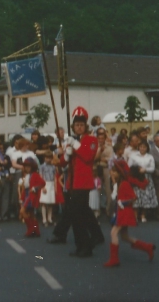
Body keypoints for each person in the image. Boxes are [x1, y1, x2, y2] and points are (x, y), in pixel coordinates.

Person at [60, 106, 104, 258]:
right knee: (79, 213)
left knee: (76, 214)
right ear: (73, 126)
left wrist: (75, 145)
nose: (79, 127)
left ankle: (85, 246)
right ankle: (86, 242)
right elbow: (62, 164)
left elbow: (87, 156)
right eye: (77, 125)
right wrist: (66, 154)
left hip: (83, 183)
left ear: (85, 126)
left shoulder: (91, 140)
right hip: (72, 183)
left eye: (82, 125)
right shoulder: (71, 141)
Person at [103, 160, 156, 268]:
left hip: (124, 212)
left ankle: (114, 259)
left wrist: (123, 202)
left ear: (120, 173)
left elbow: (133, 197)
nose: (112, 173)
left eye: (114, 172)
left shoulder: (125, 183)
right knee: (124, 237)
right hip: (122, 211)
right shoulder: (122, 182)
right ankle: (147, 247)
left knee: (113, 233)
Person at [128, 141, 158, 222]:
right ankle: (135, 216)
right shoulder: (133, 156)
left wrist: (145, 169)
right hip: (136, 178)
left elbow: (152, 168)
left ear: (147, 148)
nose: (142, 148)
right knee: (136, 197)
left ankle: (143, 215)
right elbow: (129, 167)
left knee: (146, 197)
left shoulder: (150, 157)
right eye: (141, 147)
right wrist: (137, 170)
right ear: (138, 147)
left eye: (144, 147)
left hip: (146, 177)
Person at [21, 158, 45, 238]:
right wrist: (21, 198)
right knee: (31, 214)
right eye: (26, 166)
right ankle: (36, 230)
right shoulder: (27, 175)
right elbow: (25, 188)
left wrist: (35, 188)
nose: (27, 168)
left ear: (32, 167)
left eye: (29, 166)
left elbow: (42, 183)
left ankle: (30, 229)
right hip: (27, 195)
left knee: (23, 211)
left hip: (31, 196)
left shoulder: (35, 175)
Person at [39, 151, 56, 227]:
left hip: (51, 184)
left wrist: (55, 187)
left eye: (49, 158)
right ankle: (44, 219)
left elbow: (55, 177)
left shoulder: (53, 166)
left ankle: (49, 219)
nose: (48, 159)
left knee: (50, 203)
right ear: (44, 158)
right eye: (46, 158)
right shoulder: (42, 166)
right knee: (44, 203)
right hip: (45, 183)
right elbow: (41, 177)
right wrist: (42, 187)